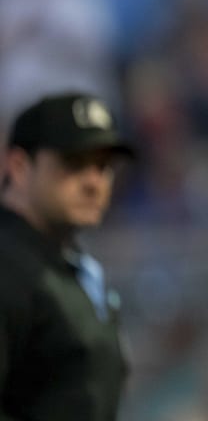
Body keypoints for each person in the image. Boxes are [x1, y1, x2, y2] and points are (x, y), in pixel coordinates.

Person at [0, 92, 134, 420]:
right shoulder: (7, 266)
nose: (94, 182)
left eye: (103, 166)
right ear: (19, 166)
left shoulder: (69, 263)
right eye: (73, 164)